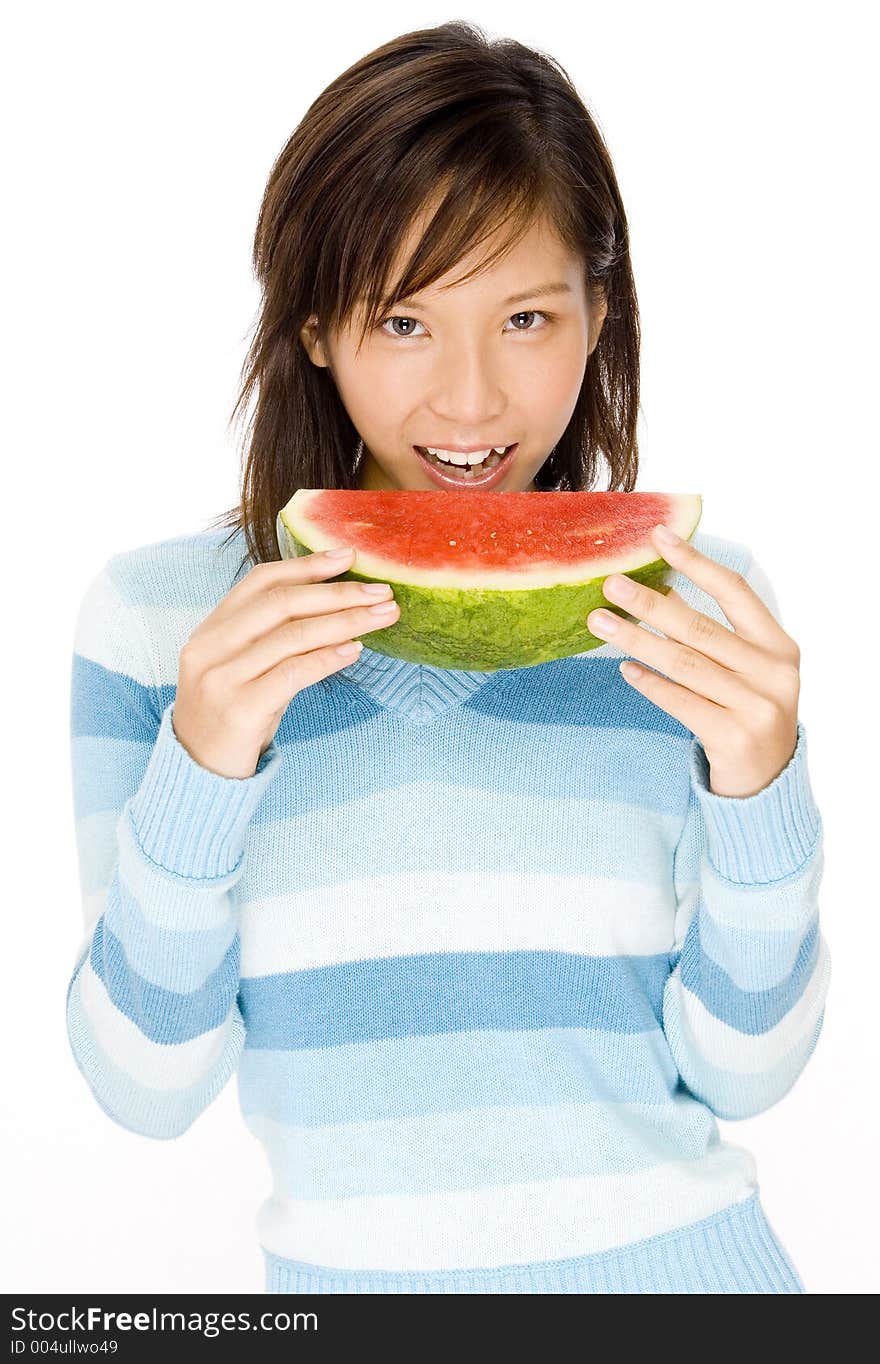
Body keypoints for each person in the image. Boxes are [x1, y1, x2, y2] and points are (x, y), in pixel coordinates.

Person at [66, 20, 830, 1294]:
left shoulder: (696, 604)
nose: (469, 403)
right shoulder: (157, 625)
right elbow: (145, 1086)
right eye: (404, 321)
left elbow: (746, 1072)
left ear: (600, 314)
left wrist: (763, 793)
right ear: (312, 324)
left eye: (525, 316)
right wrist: (201, 763)